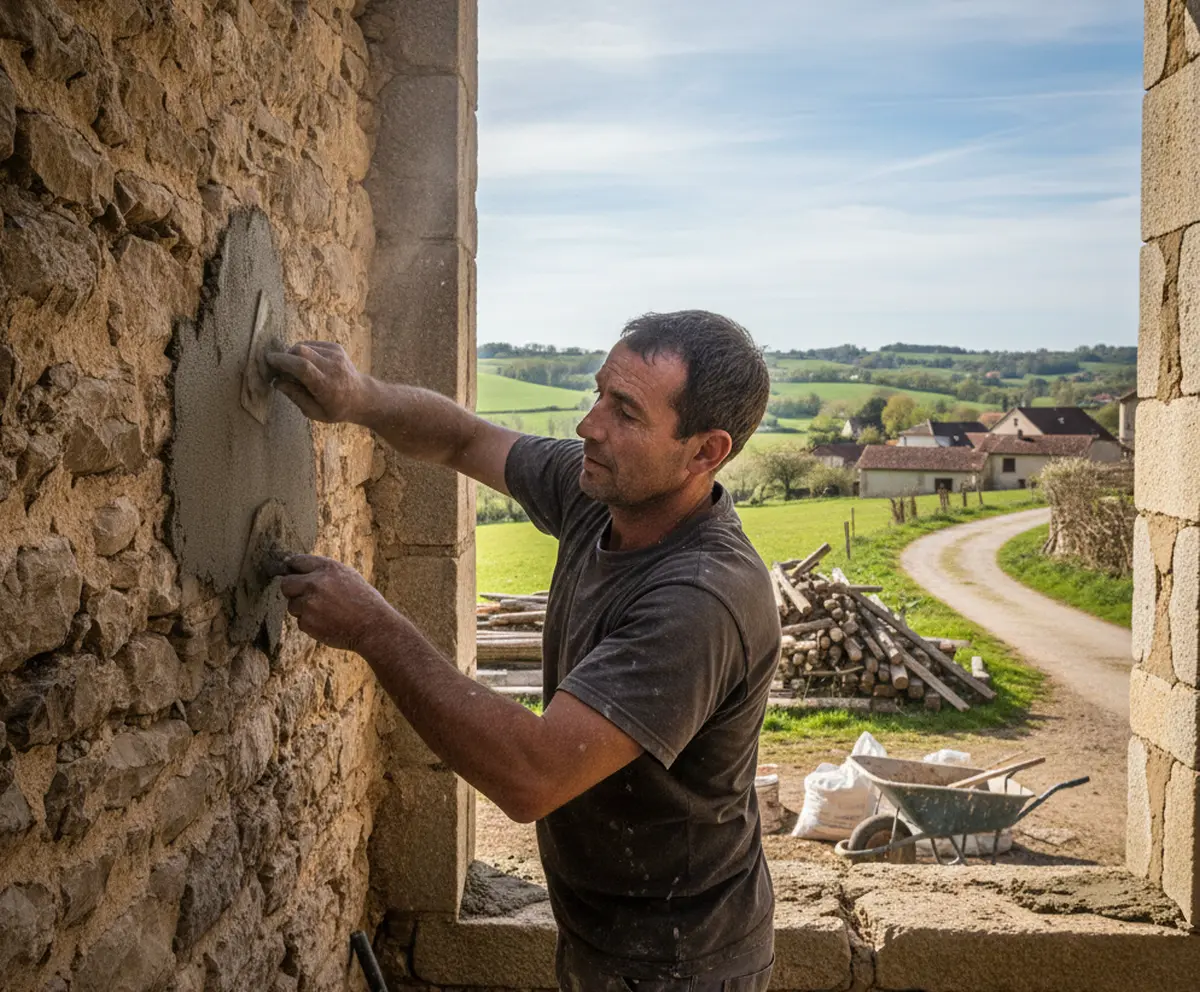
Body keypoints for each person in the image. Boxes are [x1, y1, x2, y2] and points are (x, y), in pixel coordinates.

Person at [267, 310, 780, 992]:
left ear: (705, 452)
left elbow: (531, 775)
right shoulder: (603, 492)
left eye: (624, 411)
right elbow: (463, 438)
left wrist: (373, 627)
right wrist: (359, 396)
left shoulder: (700, 601)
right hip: (606, 935)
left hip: (682, 964)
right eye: (600, 393)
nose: (589, 425)